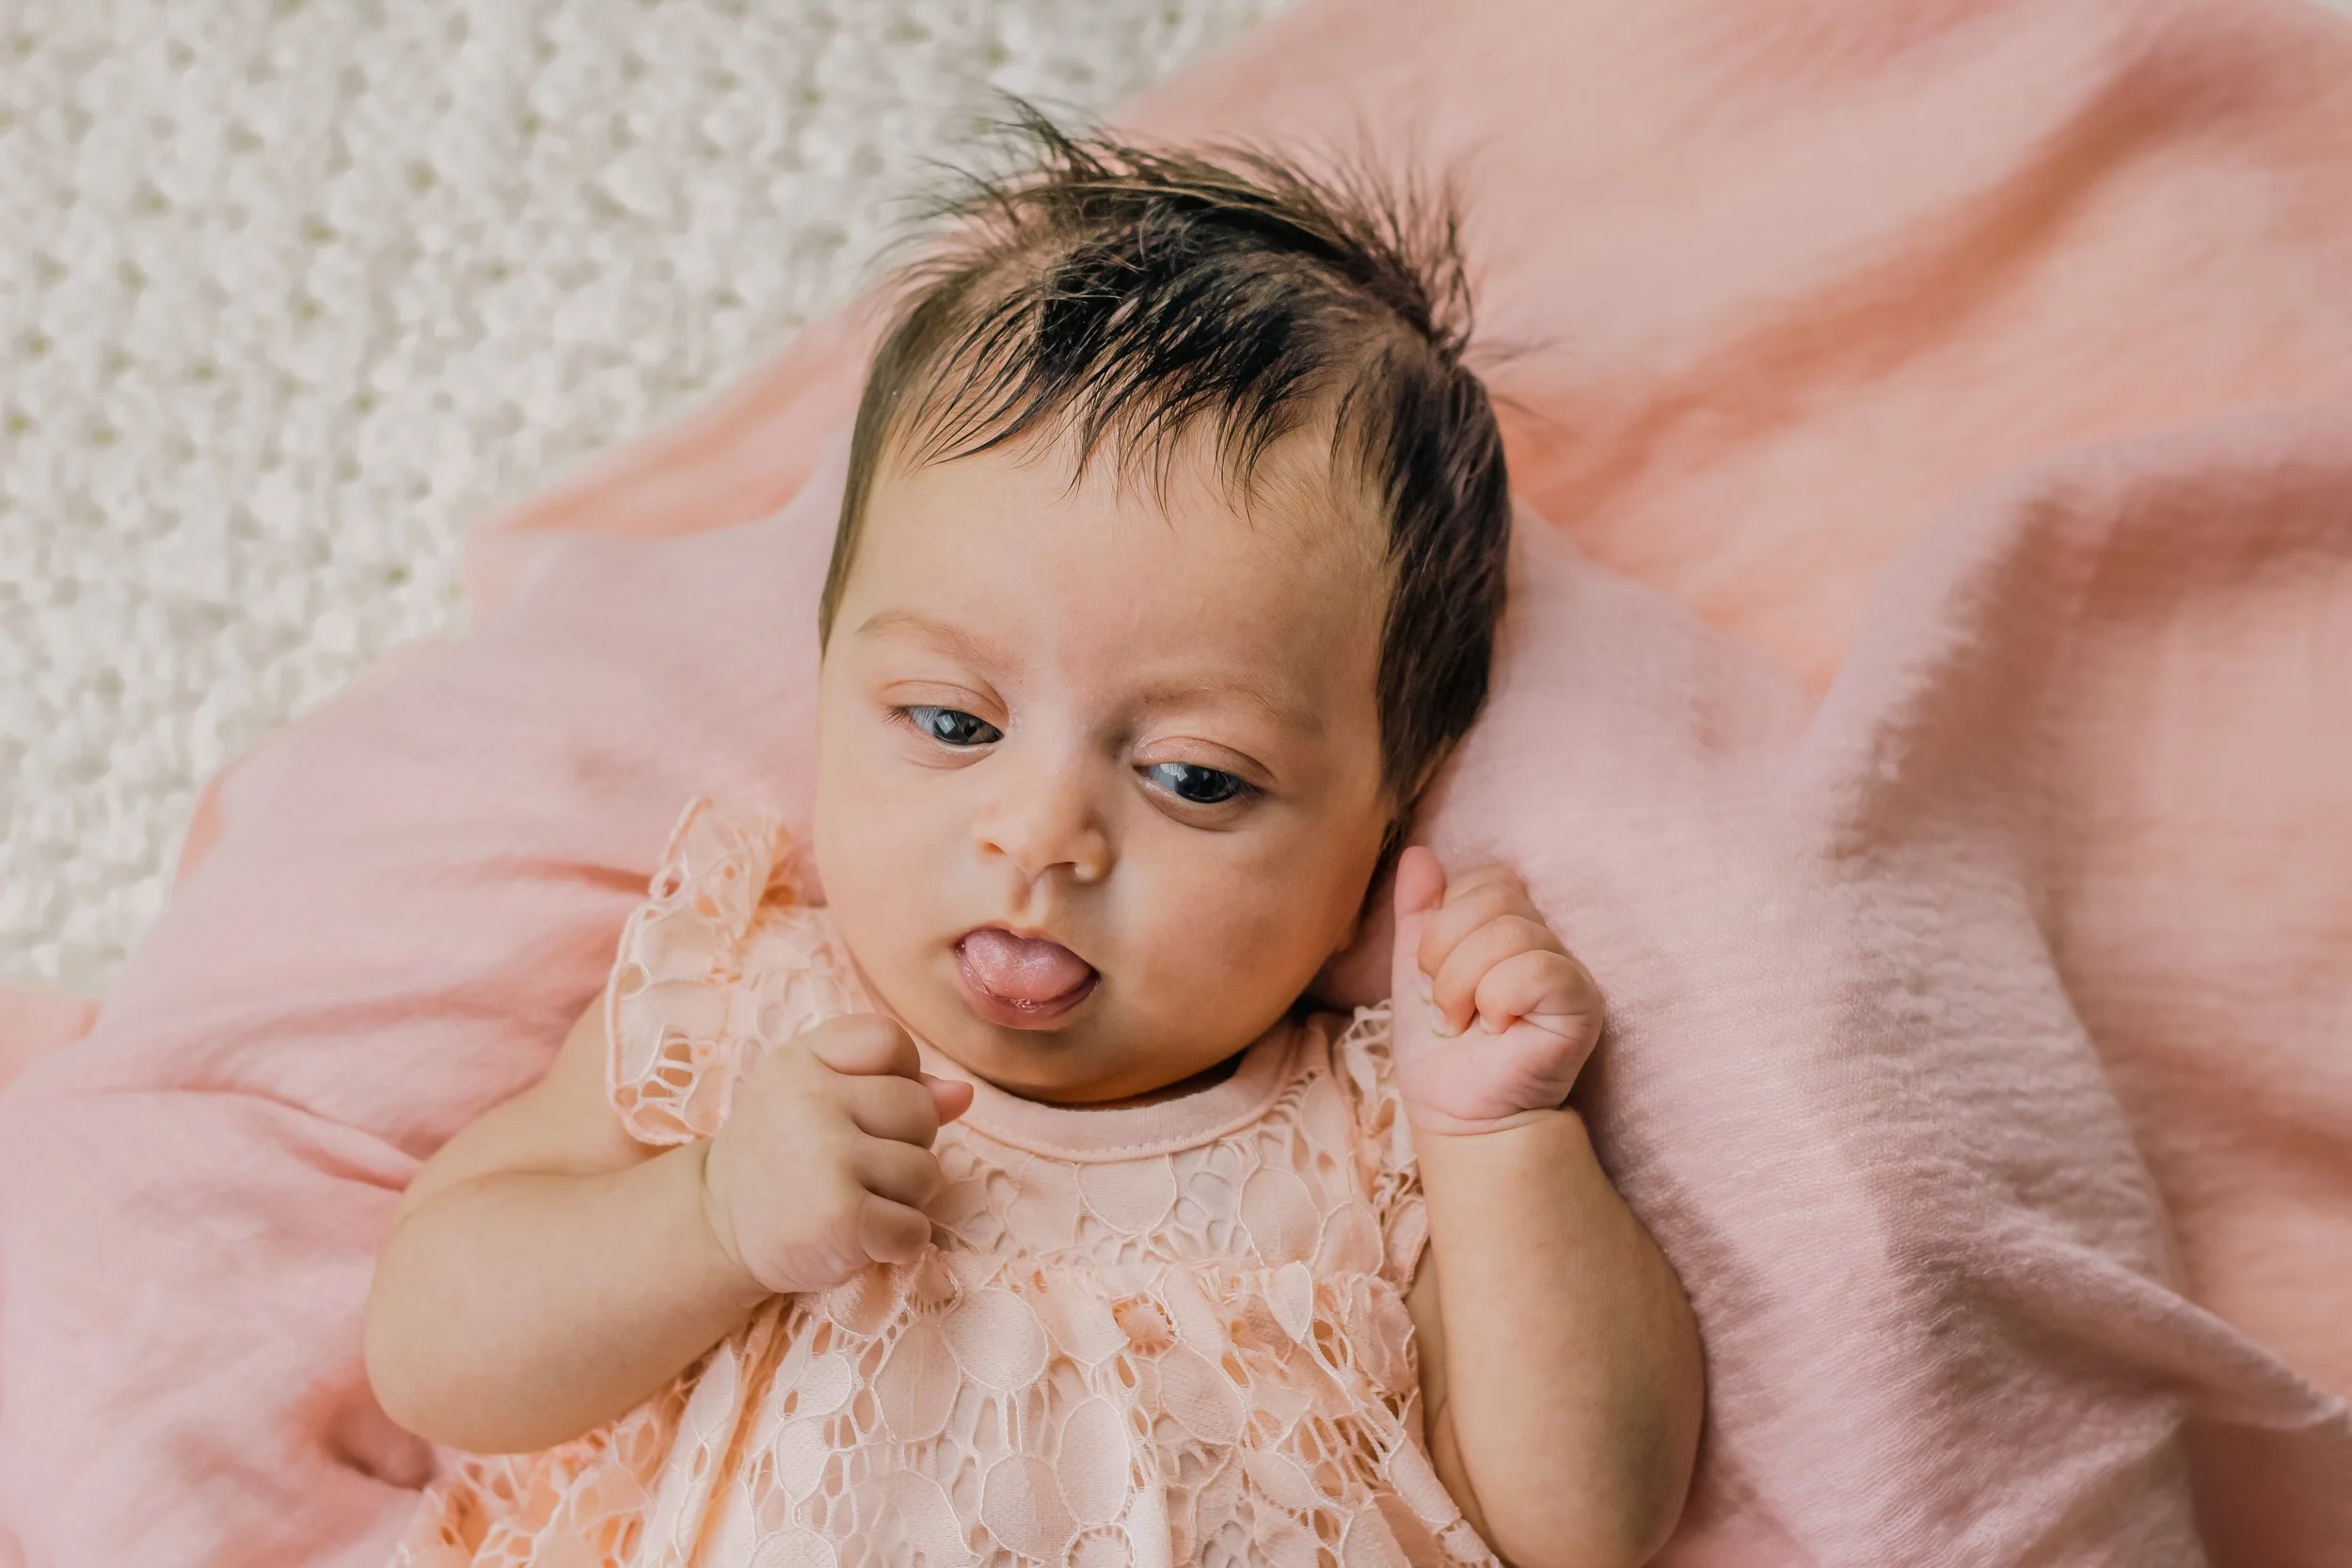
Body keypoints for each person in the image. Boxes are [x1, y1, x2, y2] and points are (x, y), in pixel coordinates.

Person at [365, 115, 1704, 1568]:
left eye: (1193, 777)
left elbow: (1590, 1523)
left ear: (1382, 837)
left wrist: (1504, 1144)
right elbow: (433, 1352)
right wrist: (709, 1218)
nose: (1041, 837)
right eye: (953, 723)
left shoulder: (1381, 1135)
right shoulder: (742, 1011)